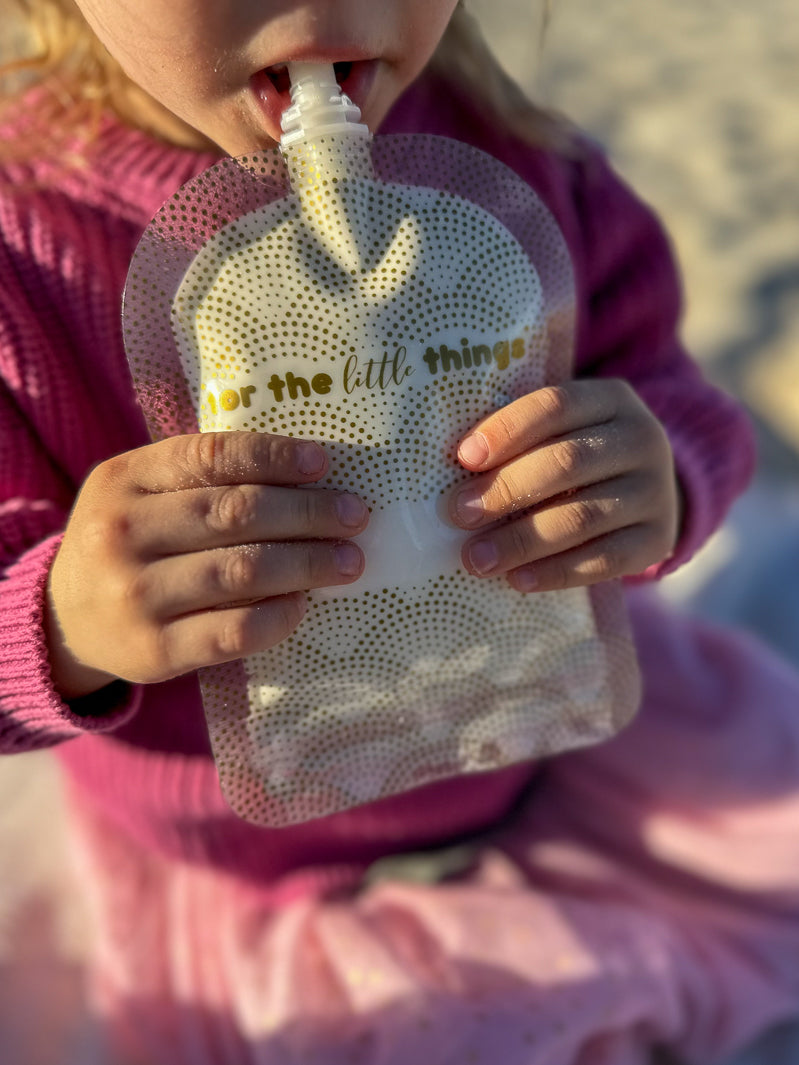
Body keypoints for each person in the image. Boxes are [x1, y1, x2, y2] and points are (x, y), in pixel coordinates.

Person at [1, 1, 798, 1063]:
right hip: (252, 864)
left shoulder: (517, 171)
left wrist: (664, 477)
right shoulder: (24, 263)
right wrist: (64, 622)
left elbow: (669, 394)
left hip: (551, 753)